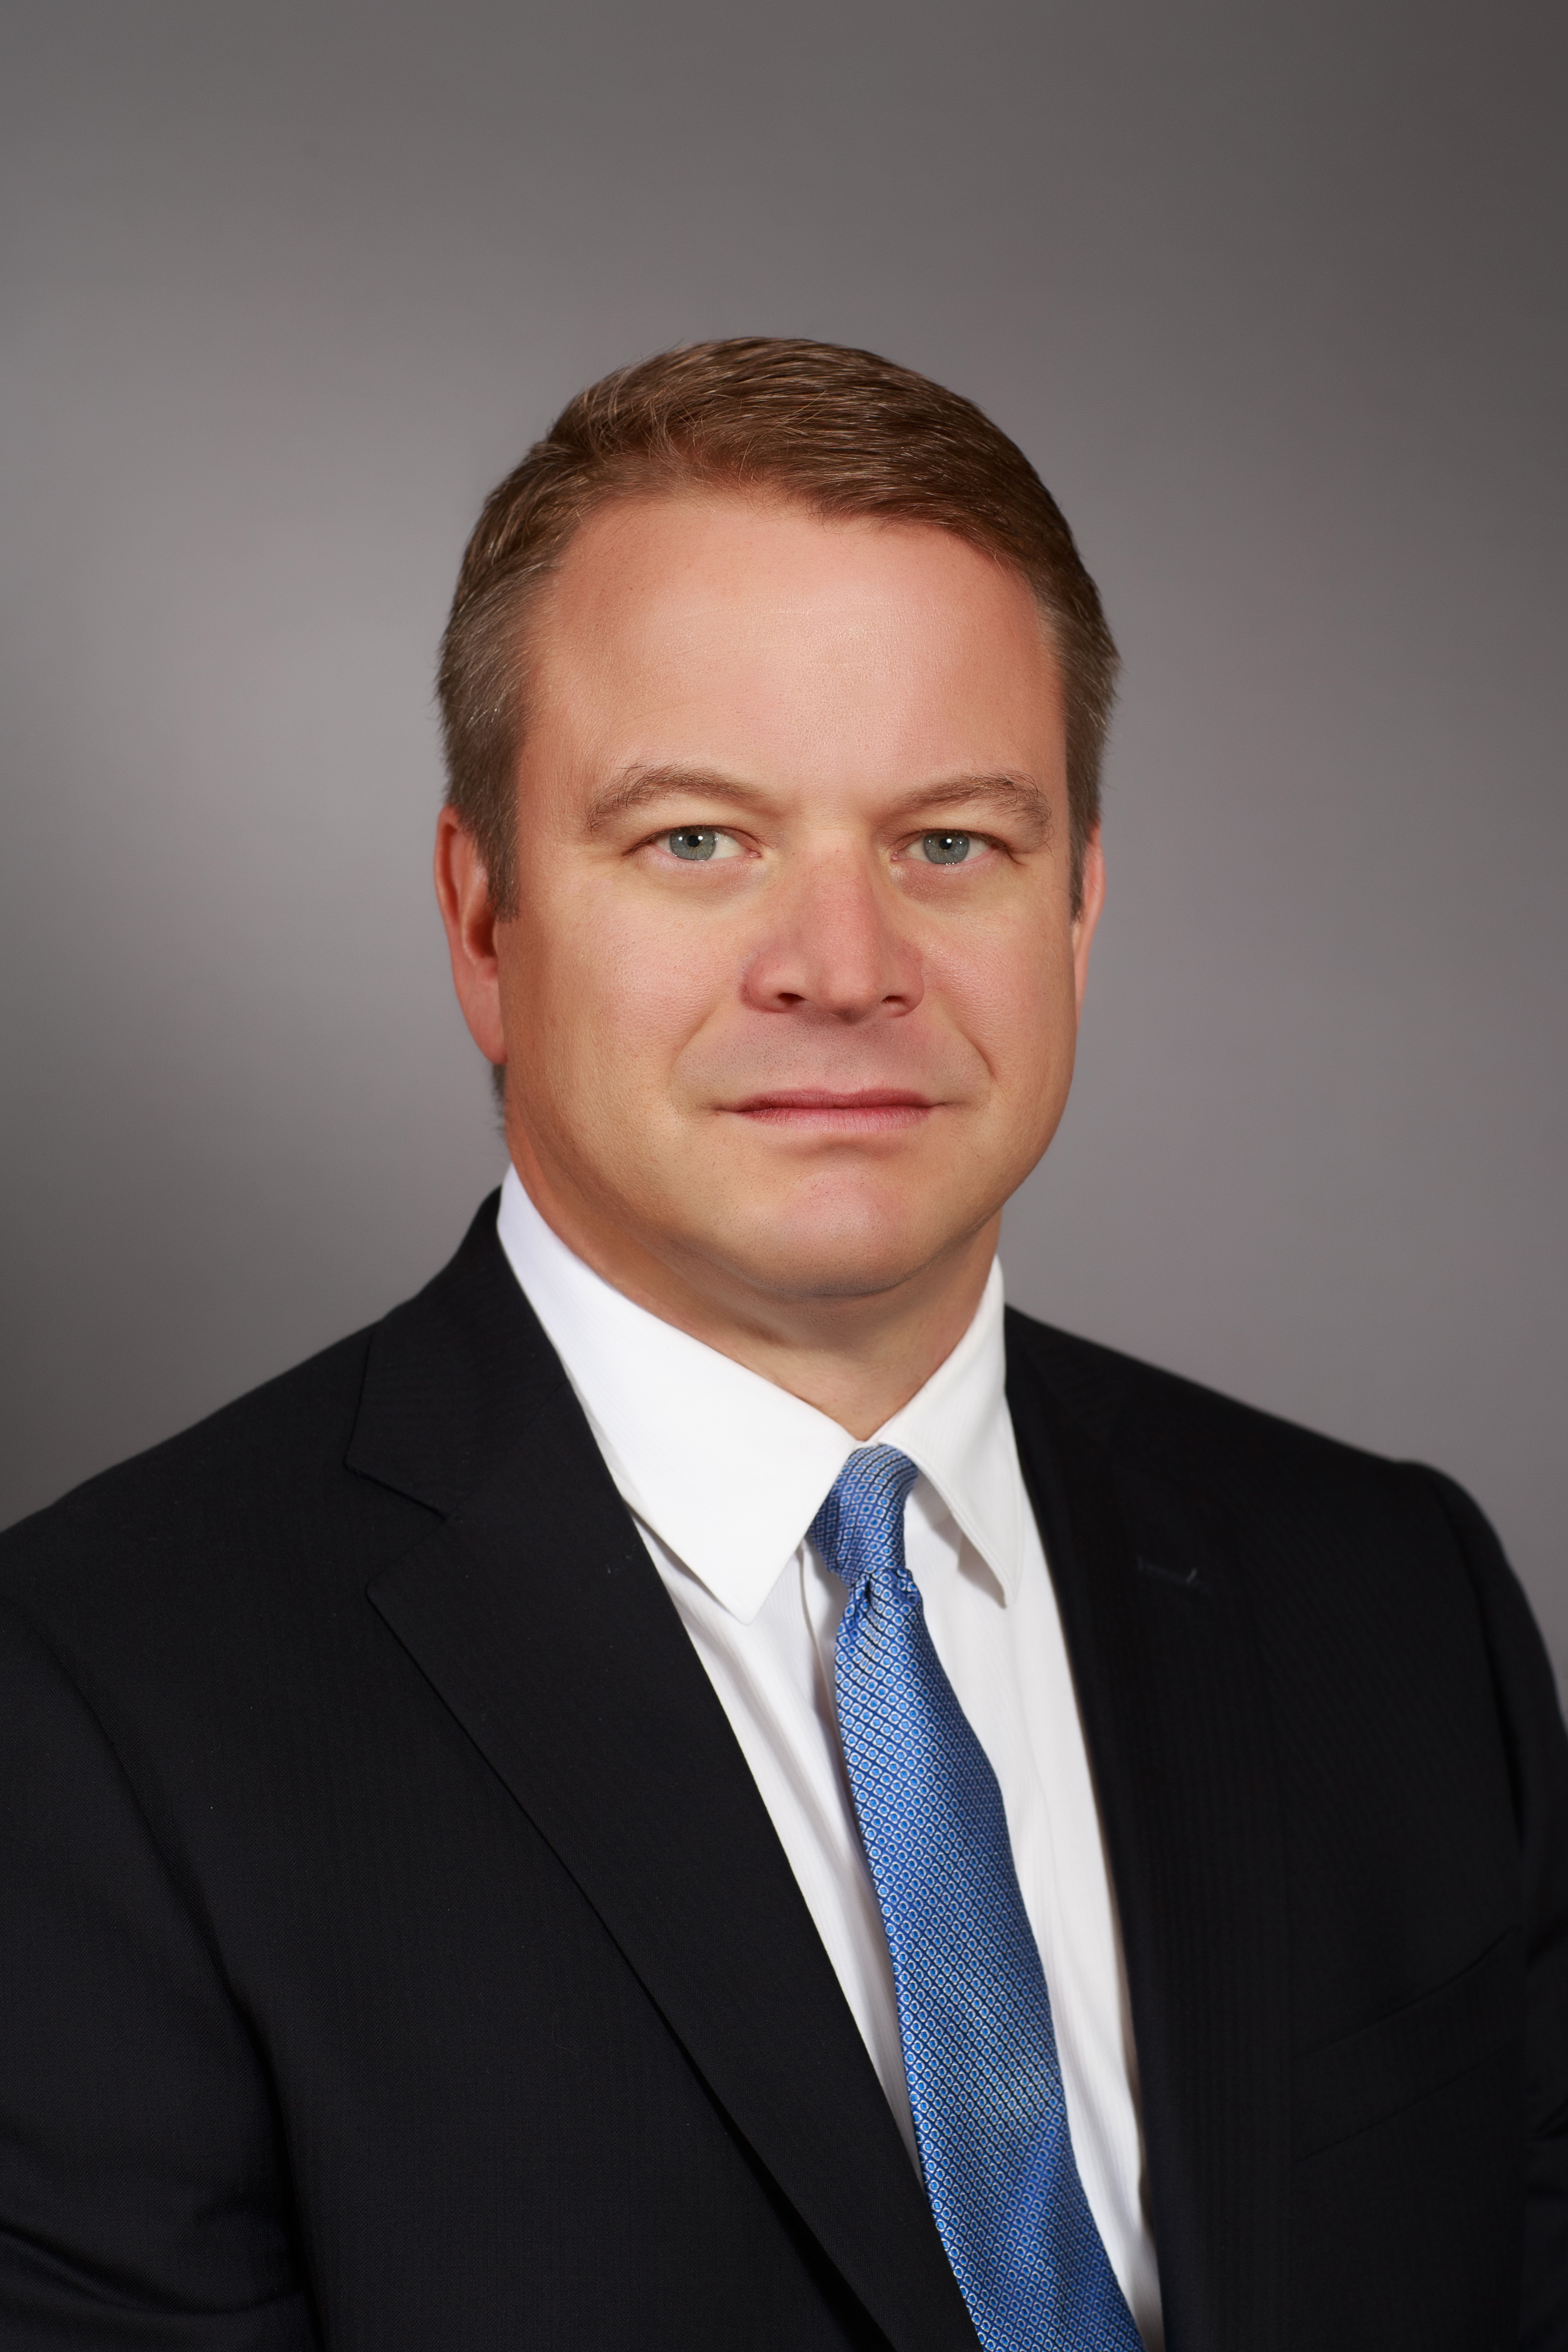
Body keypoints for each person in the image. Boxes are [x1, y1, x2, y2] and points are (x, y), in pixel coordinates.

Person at [0, 339, 1563, 2352]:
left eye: (949, 844)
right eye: (697, 840)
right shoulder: (90, 1713)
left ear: (1077, 912)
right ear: (483, 922)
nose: (843, 968)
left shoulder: (1397, 1599)